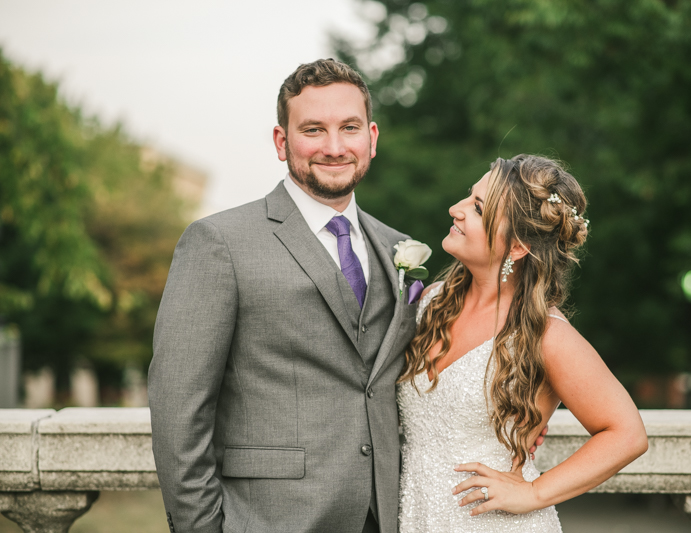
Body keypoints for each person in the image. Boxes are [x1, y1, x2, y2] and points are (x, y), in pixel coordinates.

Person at [148, 59, 420, 533]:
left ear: (371, 138)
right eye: (313, 129)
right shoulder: (219, 243)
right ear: (282, 141)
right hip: (269, 520)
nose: (334, 147)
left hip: (387, 518)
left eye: (349, 128)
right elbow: (178, 408)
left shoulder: (398, 247)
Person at [396, 154, 649, 532]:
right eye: (469, 196)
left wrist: (534, 493)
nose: (456, 209)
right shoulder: (432, 301)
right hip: (416, 514)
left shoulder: (546, 334)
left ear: (516, 247)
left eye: (478, 208)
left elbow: (627, 434)